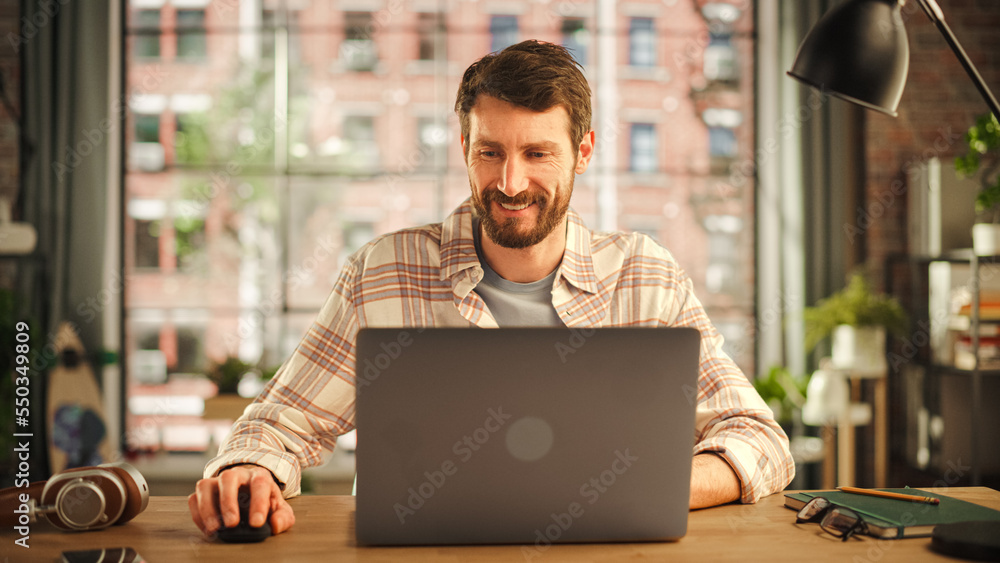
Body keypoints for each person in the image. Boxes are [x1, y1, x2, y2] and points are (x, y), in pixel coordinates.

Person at [188, 39, 795, 537]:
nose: (510, 182)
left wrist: (646, 489)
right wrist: (250, 471)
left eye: (537, 153)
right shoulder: (385, 270)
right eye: (490, 152)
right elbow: (280, 423)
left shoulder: (646, 275)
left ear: (582, 152)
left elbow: (760, 439)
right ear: (463, 148)